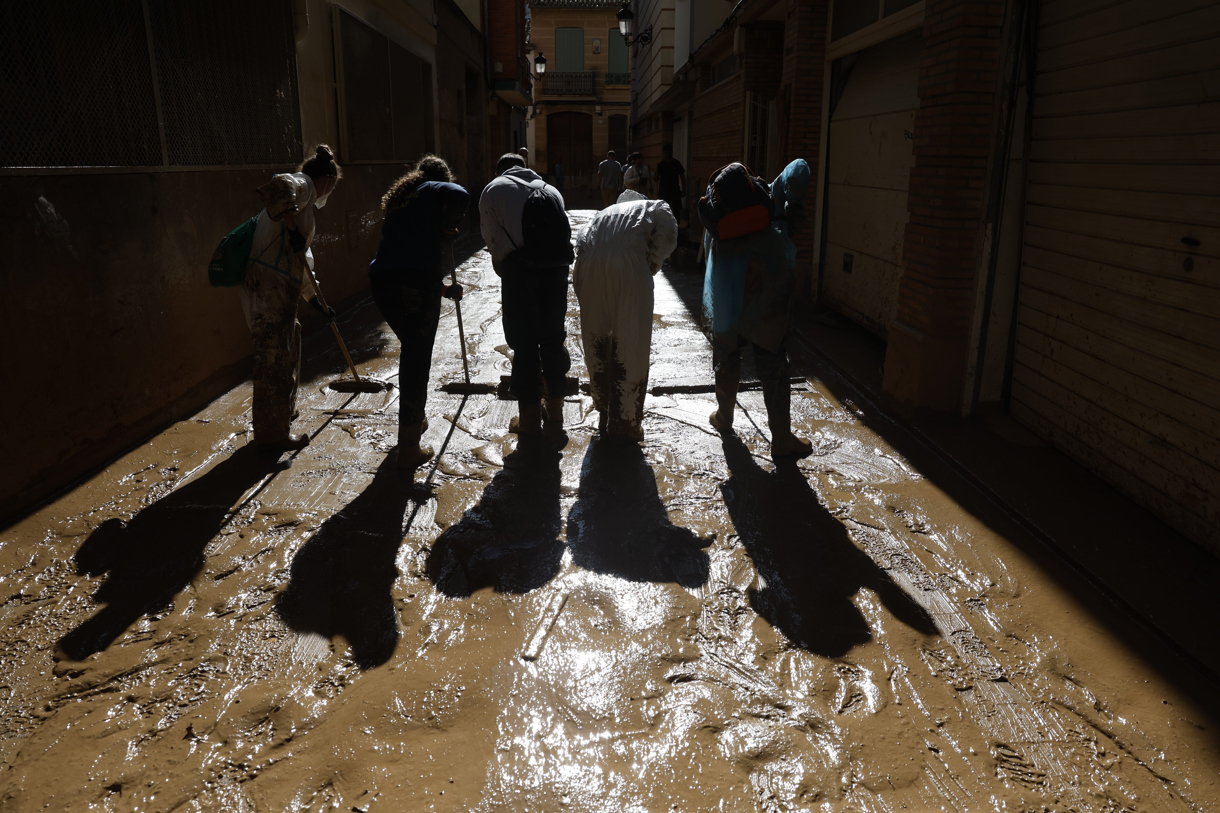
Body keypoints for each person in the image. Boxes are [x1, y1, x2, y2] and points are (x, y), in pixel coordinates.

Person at [703, 159, 813, 458]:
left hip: (728, 295)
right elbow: (800, 167)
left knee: (728, 353)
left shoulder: (717, 217)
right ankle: (781, 440)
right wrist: (793, 206)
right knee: (773, 358)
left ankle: (724, 417)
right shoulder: (768, 196)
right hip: (766, 287)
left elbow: (708, 260)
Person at [368, 155, 470, 468]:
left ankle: (416, 418)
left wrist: (438, 289)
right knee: (416, 357)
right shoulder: (434, 188)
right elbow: (460, 195)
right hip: (411, 282)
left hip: (383, 282)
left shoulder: (402, 198)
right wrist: (449, 223)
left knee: (412, 345)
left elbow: (406, 255)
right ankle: (409, 445)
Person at [241, 144, 341, 453]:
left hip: (277, 286)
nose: (329, 191)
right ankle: (272, 437)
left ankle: (281, 416)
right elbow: (279, 186)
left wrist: (316, 302)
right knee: (273, 358)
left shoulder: (306, 204)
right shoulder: (304, 184)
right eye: (332, 186)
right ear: (326, 180)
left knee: (288, 342)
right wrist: (292, 226)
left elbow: (302, 261)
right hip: (269, 286)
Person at [479, 153, 574, 439]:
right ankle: (555, 415)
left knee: (524, 343)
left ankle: (529, 419)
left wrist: (509, 273)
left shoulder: (493, 189)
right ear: (524, 166)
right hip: (557, 273)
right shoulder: (551, 190)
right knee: (553, 338)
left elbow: (493, 241)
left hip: (520, 272)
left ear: (500, 170)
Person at [574, 192, 678, 441]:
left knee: (596, 337)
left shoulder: (601, 216)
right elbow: (669, 231)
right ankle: (626, 422)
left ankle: (602, 403)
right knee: (631, 340)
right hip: (629, 263)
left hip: (589, 265)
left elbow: (581, 243)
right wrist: (652, 262)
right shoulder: (653, 206)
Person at [656, 143, 686, 227]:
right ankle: (665, 228)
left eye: (670, 152)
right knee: (664, 211)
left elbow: (682, 177)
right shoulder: (661, 165)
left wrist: (683, 189)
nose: (668, 154)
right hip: (664, 192)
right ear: (664, 153)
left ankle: (676, 228)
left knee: (676, 211)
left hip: (675, 192)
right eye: (666, 152)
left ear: (672, 152)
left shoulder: (676, 163)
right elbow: (656, 179)